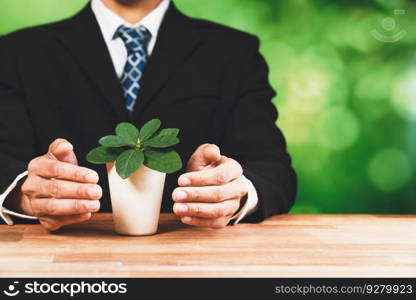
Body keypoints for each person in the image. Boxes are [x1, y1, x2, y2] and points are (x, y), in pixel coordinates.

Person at [0, 0, 297, 231]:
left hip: (194, 257)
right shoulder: (17, 52)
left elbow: (273, 168)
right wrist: (24, 196)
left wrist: (235, 192)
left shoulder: (235, 53)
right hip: (64, 260)